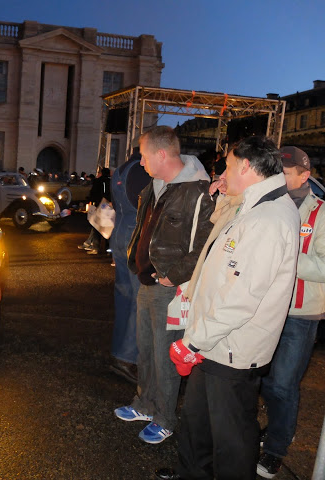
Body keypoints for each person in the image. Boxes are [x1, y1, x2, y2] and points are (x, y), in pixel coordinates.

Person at [156, 136, 301, 480]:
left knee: (231, 439)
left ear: (247, 168)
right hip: (213, 341)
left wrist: (192, 343)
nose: (221, 172)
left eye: (229, 166)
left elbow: (240, 300)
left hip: (233, 348)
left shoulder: (269, 219)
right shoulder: (253, 204)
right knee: (196, 426)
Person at [114, 126, 214, 444]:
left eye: (144, 156)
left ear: (161, 154)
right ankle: (145, 404)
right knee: (146, 351)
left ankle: (166, 418)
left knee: (164, 355)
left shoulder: (197, 192)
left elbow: (205, 244)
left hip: (169, 287)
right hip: (147, 281)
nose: (141, 162)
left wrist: (174, 275)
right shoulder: (157, 185)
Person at [257, 147, 325, 479]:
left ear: (304, 175)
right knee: (262, 380)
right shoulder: (269, 204)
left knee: (283, 384)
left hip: (300, 313)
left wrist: (288, 257)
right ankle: (274, 430)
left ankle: (275, 448)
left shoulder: (322, 213)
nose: (279, 178)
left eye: (285, 172)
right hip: (265, 307)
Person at [107, 149, 151, 384]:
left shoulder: (121, 170)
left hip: (120, 231)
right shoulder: (143, 171)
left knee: (124, 296)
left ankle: (119, 352)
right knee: (138, 299)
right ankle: (127, 357)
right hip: (135, 233)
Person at [79, 167, 112, 255]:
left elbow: (93, 193)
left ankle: (96, 247)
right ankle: (108, 248)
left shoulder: (98, 181)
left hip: (99, 205)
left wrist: (88, 201)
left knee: (96, 226)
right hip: (109, 206)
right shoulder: (111, 181)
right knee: (107, 227)